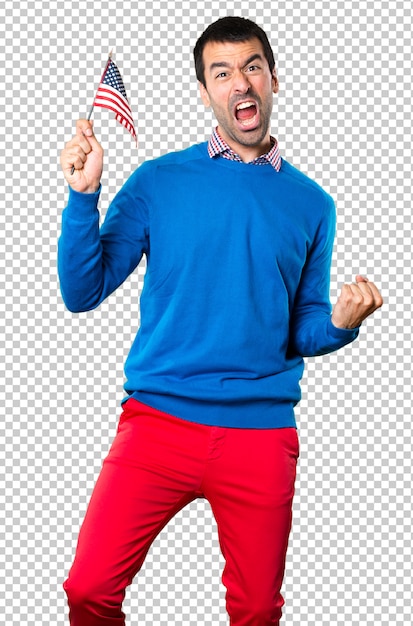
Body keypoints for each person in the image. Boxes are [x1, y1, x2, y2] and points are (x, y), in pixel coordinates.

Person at [59, 16, 383, 626]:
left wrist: (340, 323)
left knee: (257, 609)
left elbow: (302, 327)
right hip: (157, 425)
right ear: (204, 92)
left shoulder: (313, 203)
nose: (242, 83)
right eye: (223, 72)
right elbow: (83, 291)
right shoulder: (158, 181)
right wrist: (83, 197)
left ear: (274, 80)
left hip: (259, 436)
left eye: (253, 67)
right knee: (88, 587)